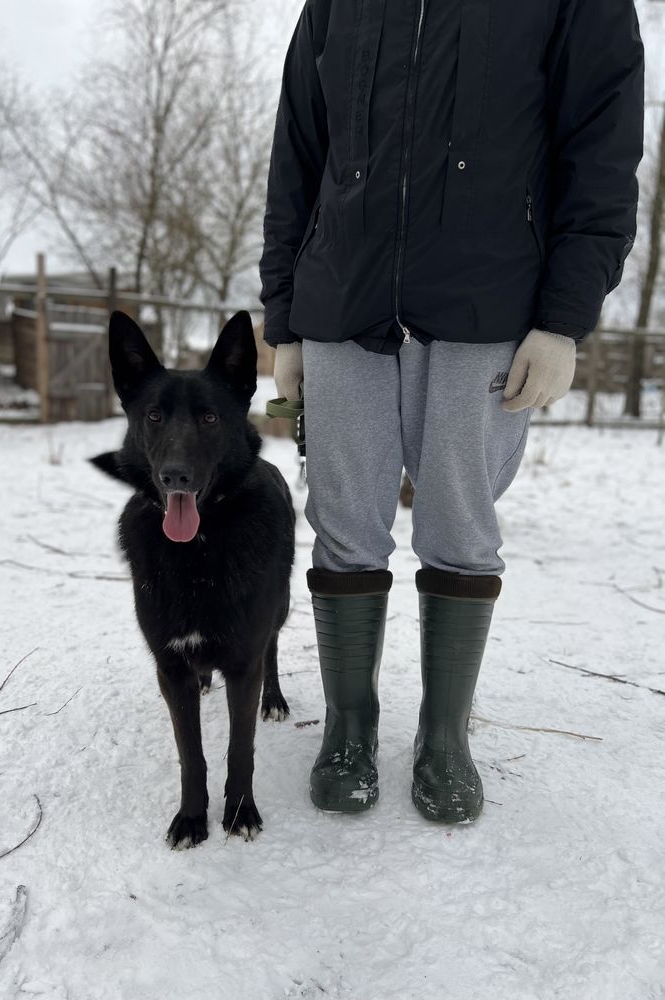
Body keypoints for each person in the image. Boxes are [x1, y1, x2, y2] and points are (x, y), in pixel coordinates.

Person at [259, 0, 644, 822]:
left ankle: (443, 737)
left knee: (462, 528)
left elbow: (602, 154)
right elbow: (296, 151)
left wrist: (564, 317)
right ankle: (351, 731)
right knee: (342, 522)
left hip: (491, 304)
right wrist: (284, 314)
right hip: (342, 301)